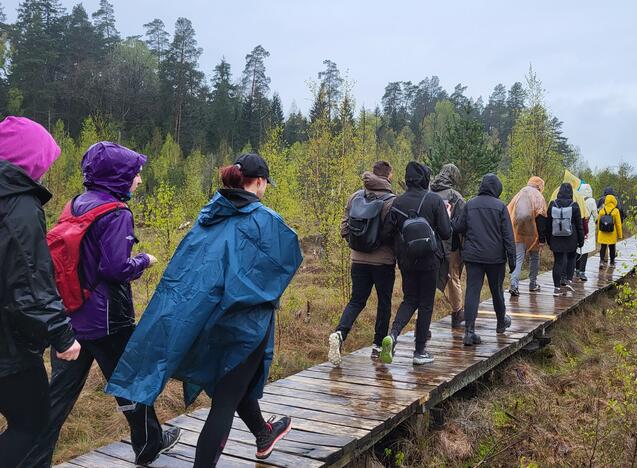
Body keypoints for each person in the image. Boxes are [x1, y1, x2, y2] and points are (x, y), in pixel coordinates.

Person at [107, 153, 302, 466]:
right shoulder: (266, 221)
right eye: (266, 183)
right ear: (260, 181)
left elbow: (187, 273)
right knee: (225, 401)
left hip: (207, 320)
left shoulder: (208, 217)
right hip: (245, 325)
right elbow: (286, 262)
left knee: (234, 386)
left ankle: (264, 433)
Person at [23, 142, 180, 468]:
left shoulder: (75, 204)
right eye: (135, 174)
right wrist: (144, 260)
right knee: (130, 382)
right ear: (118, 175)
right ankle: (149, 444)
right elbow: (115, 269)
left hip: (70, 318)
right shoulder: (118, 213)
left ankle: (29, 460)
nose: (138, 180)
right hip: (109, 320)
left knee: (57, 396)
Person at [0, 117, 81, 468]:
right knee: (32, 421)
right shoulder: (18, 205)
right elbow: (30, 280)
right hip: (8, 344)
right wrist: (62, 337)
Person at [380, 162, 451, 366]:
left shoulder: (398, 202)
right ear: (425, 179)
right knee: (426, 304)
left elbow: (386, 233)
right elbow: (446, 232)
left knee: (409, 299)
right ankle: (419, 352)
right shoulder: (434, 200)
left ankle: (393, 336)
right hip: (430, 260)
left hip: (407, 260)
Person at [328, 161, 397, 365]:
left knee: (356, 301)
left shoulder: (355, 197)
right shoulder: (391, 201)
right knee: (384, 303)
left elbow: (344, 229)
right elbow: (394, 234)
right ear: (389, 177)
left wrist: (359, 245)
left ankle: (339, 335)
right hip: (383, 262)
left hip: (357, 260)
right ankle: (377, 347)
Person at [452, 174, 516, 345]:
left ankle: (469, 332)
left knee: (472, 291)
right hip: (495, 258)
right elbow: (508, 235)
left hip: (473, 256)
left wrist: (450, 216)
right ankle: (501, 323)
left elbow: (458, 227)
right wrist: (512, 259)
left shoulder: (470, 204)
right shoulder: (501, 207)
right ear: (496, 189)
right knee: (497, 291)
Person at [430, 163, 466, 328]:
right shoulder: (455, 196)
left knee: (426, 281)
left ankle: (421, 320)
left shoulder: (428, 193)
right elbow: (463, 222)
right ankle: (457, 313)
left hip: (429, 244)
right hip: (450, 245)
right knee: (453, 278)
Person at [507, 176, 548, 296]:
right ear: (540, 185)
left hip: (518, 232)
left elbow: (509, 212)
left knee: (518, 259)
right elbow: (541, 219)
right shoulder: (539, 197)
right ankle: (533, 284)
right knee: (534, 258)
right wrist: (541, 239)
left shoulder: (519, 194)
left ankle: (514, 285)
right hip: (533, 233)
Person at [546, 183, 584, 297]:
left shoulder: (553, 204)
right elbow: (579, 225)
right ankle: (568, 280)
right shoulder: (575, 205)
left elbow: (548, 224)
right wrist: (581, 240)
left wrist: (548, 239)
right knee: (572, 258)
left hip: (555, 237)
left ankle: (556, 287)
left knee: (558, 262)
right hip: (571, 237)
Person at [575, 183, 598, 281]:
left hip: (578, 226)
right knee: (585, 250)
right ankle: (582, 272)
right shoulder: (592, 200)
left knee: (577, 248)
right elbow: (595, 215)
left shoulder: (577, 198)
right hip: (588, 228)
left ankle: (576, 269)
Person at [597, 193, 624, 267]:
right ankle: (612, 262)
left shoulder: (602, 210)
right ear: (614, 201)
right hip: (612, 232)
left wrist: (598, 232)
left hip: (603, 232)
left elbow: (599, 222)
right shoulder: (616, 211)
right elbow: (618, 224)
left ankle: (601, 261)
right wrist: (620, 235)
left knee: (603, 247)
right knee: (612, 247)